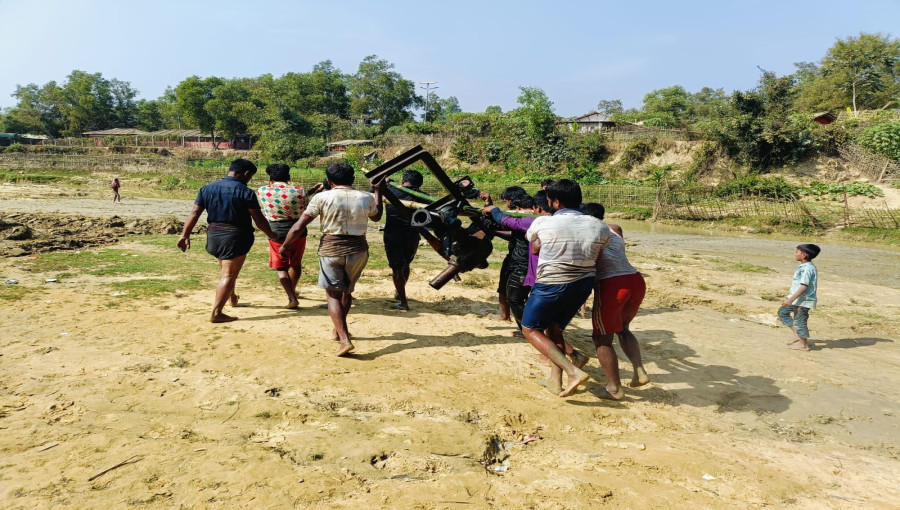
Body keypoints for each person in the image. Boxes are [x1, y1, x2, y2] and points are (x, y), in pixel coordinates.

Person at [280, 162, 384, 357]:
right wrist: (378, 193)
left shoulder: (321, 197)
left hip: (331, 249)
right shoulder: (366, 197)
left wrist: (285, 246)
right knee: (347, 292)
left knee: (333, 295)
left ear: (329, 180)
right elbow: (377, 217)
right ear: (353, 179)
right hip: (358, 249)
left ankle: (345, 340)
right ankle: (339, 331)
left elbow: (298, 227)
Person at [523, 180, 611, 397]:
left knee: (530, 328)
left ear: (555, 201)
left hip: (552, 283)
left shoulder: (544, 222)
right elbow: (601, 249)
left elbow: (533, 246)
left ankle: (572, 370)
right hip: (582, 285)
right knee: (554, 330)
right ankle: (555, 381)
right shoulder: (600, 225)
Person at [177, 159, 277, 323]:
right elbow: (259, 220)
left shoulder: (207, 188)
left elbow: (194, 213)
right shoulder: (245, 192)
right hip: (235, 237)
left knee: (227, 271)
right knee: (229, 274)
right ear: (246, 174)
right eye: (250, 176)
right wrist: (272, 235)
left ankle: (231, 297)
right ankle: (217, 313)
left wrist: (184, 235)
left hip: (214, 235)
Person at [582, 202, 649, 400]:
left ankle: (614, 388)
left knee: (601, 338)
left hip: (612, 284)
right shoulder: (615, 229)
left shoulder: (586, 235)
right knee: (623, 328)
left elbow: (589, 266)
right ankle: (639, 370)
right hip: (635, 279)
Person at [256, 163, 318, 309]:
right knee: (296, 264)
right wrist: (313, 191)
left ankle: (291, 296)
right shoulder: (300, 191)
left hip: (276, 232)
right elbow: (303, 205)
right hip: (298, 232)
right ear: (289, 176)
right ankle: (292, 290)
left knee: (281, 267)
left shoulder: (262, 191)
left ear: (270, 177)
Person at [384, 170, 427, 311]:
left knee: (397, 268)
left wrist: (386, 183)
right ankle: (400, 291)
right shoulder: (424, 197)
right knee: (406, 264)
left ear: (403, 181)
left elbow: (372, 192)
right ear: (419, 184)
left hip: (393, 234)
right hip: (412, 235)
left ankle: (403, 302)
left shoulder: (391, 192)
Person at [492, 186, 528, 322]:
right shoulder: (528, 214)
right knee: (507, 290)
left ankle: (527, 328)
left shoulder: (523, 216)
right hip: (516, 257)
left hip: (520, 261)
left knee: (513, 296)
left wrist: (494, 230)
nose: (506, 204)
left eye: (506, 201)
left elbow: (508, 227)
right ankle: (505, 315)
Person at [779, 243, 820, 352]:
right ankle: (797, 335)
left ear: (804, 255)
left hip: (803, 301)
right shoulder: (803, 266)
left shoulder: (808, 268)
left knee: (800, 321)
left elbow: (804, 286)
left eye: (797, 252)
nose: (795, 254)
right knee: (783, 312)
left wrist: (790, 299)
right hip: (796, 299)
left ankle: (803, 345)